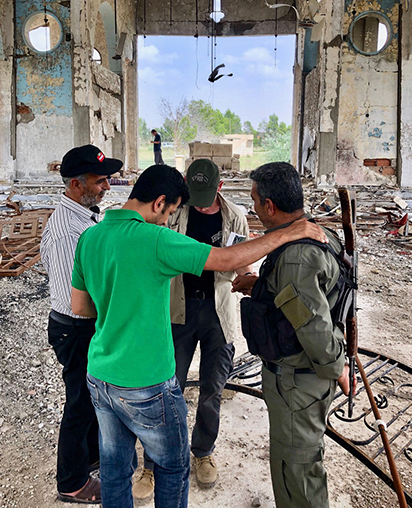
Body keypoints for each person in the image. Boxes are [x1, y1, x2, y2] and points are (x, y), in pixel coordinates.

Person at [71, 164, 328, 508]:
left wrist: (120, 306)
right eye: (172, 210)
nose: (168, 219)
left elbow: (80, 307)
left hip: (101, 375)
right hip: (146, 379)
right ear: (160, 202)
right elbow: (225, 259)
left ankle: (200, 453)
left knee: (116, 468)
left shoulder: (91, 236)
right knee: (173, 466)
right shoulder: (155, 239)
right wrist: (288, 233)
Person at [231, 162, 356, 508]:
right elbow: (307, 296)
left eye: (255, 201)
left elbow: (312, 326)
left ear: (270, 206)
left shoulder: (295, 257)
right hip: (301, 381)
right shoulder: (316, 232)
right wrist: (255, 285)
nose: (254, 209)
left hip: (297, 385)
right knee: (297, 463)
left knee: (296, 470)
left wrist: (339, 369)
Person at [133, 159, 252, 500]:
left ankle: (202, 452)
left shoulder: (235, 217)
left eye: (206, 194)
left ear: (221, 186)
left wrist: (248, 274)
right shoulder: (174, 213)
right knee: (168, 388)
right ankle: (153, 464)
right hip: (179, 310)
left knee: (213, 390)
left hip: (217, 311)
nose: (199, 202)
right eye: (193, 194)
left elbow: (241, 261)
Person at [40, 144, 123, 504]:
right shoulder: (65, 234)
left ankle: (90, 458)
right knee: (79, 404)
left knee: (90, 398)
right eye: (100, 181)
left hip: (85, 324)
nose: (107, 187)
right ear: (76, 184)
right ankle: (71, 483)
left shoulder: (87, 217)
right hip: (75, 328)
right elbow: (74, 301)